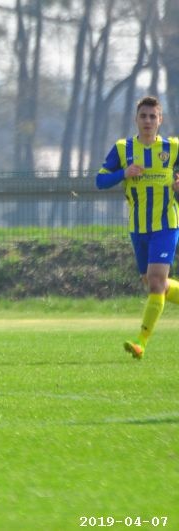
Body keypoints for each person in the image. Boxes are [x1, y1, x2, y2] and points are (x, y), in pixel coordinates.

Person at [96, 95, 179, 359]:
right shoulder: (123, 149)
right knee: (154, 283)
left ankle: (140, 342)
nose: (148, 121)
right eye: (143, 116)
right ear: (136, 119)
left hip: (166, 225)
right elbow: (100, 181)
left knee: (155, 282)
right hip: (138, 227)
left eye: (153, 116)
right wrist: (124, 173)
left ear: (160, 120)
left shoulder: (173, 147)